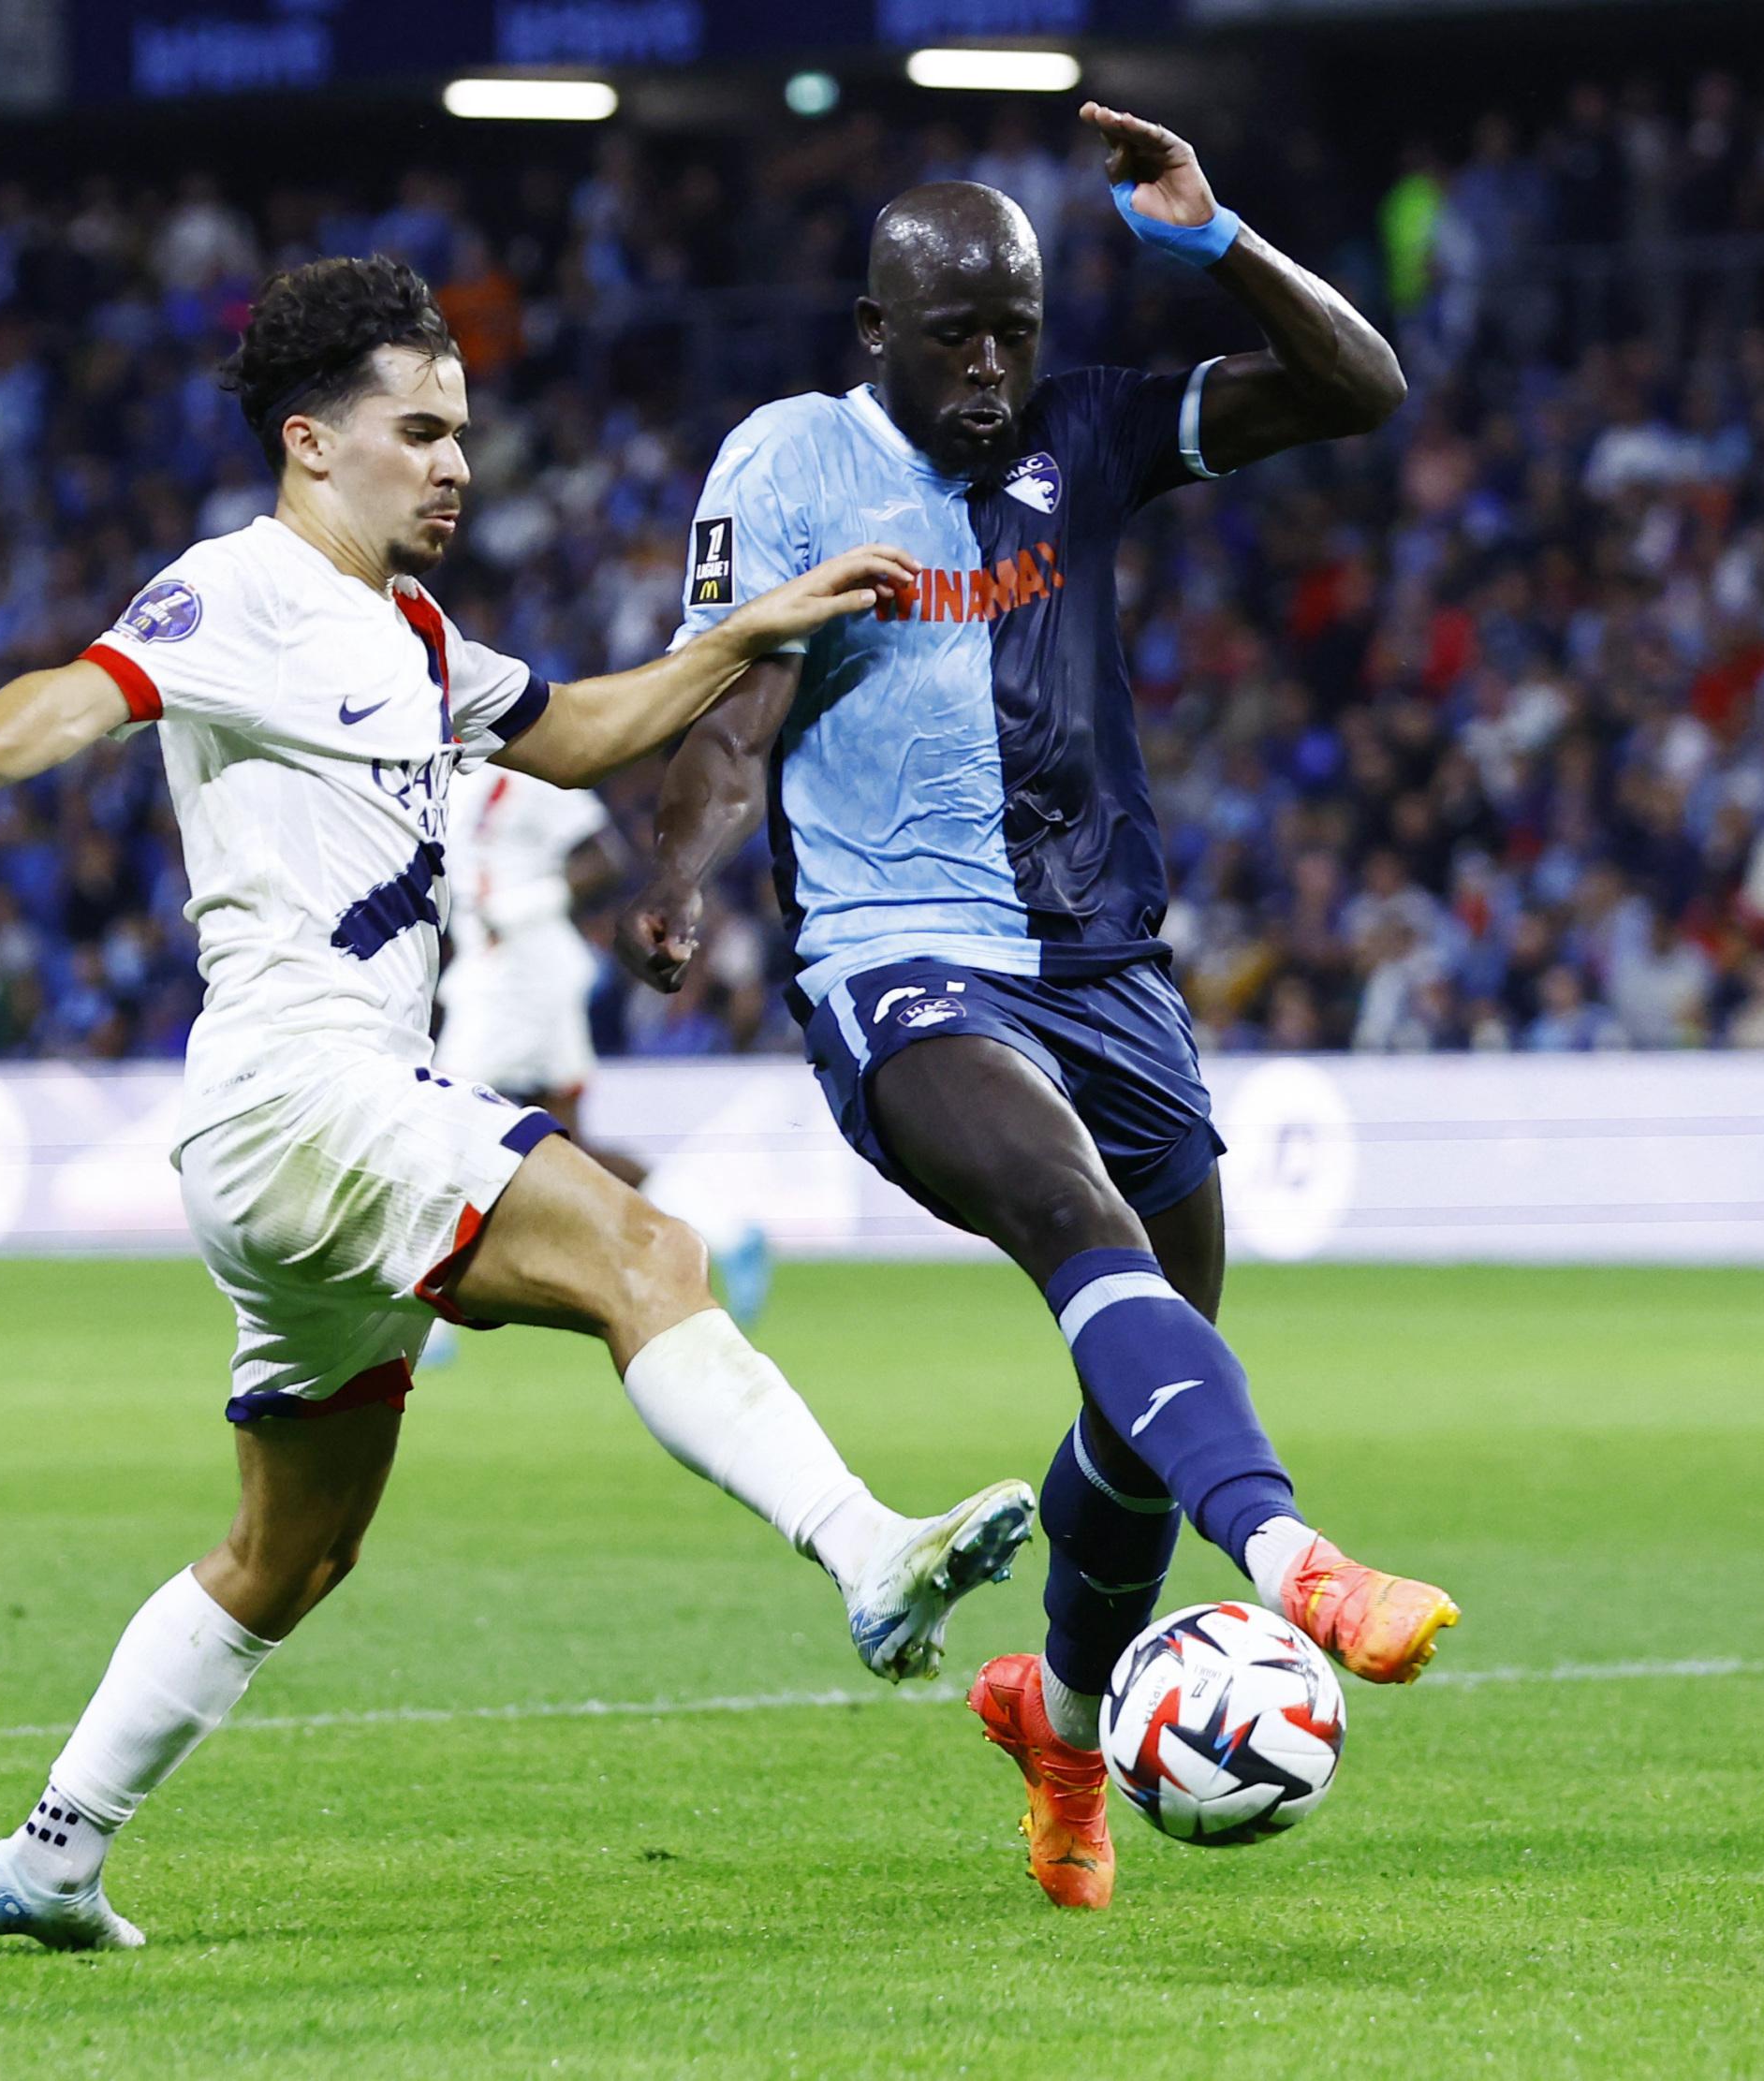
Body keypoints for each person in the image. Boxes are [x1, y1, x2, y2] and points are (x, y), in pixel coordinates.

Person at [0, 256, 1031, 1953]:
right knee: (648, 1248)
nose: (456, 462)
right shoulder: (240, 588)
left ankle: (49, 1850)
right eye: (419, 430)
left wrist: (752, 631)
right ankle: (864, 1549)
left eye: (462, 431)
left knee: (291, 1552)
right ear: (309, 443)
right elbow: (74, 695)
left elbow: (575, 733)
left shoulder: (414, 637)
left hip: (292, 1142)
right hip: (307, 1086)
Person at [614, 105, 1456, 1914]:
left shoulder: (1084, 431)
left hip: (1105, 961)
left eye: (1016, 323)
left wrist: (1214, 236)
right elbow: (732, 709)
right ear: (876, 335)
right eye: (955, 334)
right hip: (897, 956)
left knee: (1146, 1372)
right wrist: (682, 866)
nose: (995, 362)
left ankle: (1060, 1721)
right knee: (1082, 1226)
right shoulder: (787, 465)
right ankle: (1296, 1556)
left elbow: (1361, 388)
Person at [435, 761, 772, 1328]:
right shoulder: (444, 777)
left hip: (523, 971)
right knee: (573, 1146)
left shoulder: (526, 769)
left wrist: (521, 905)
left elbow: (607, 857)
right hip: (490, 968)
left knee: (442, 1121)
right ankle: (725, 1229)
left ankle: (431, 1317)